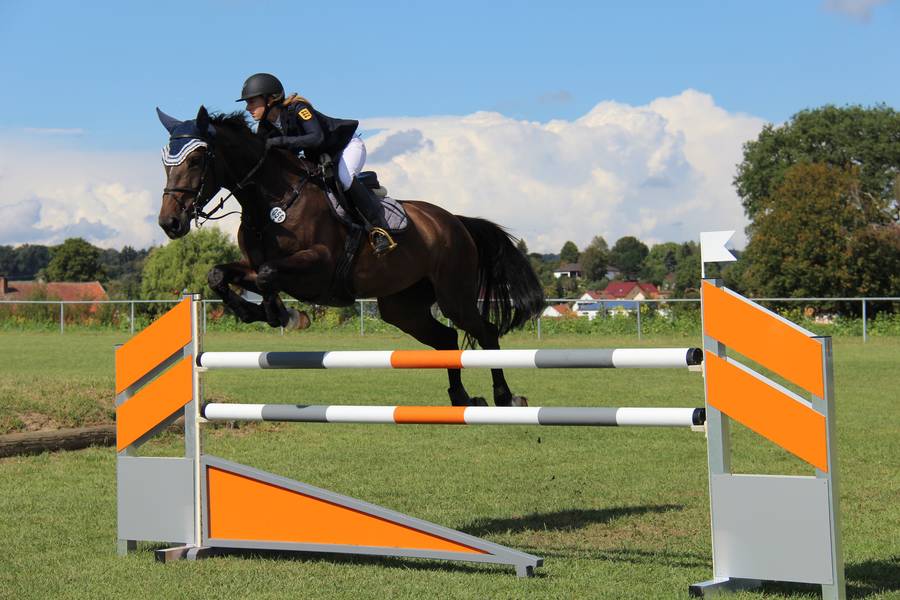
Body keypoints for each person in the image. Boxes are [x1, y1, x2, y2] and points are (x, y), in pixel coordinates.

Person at [237, 72, 396, 255]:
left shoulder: (298, 108)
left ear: (270, 98)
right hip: (321, 158)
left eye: (251, 102)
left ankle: (379, 230)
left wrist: (280, 142)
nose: (248, 108)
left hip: (345, 147)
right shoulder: (266, 128)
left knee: (344, 178)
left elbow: (316, 137)